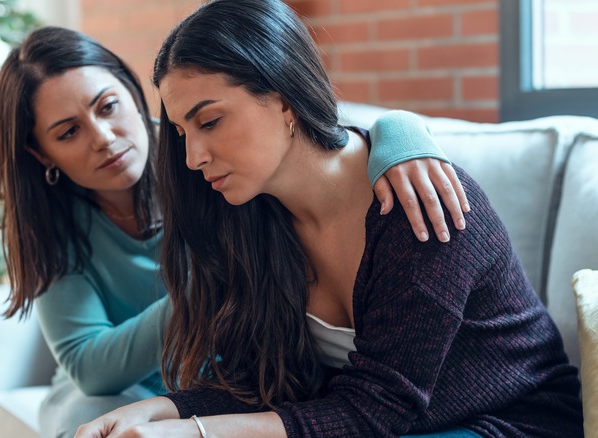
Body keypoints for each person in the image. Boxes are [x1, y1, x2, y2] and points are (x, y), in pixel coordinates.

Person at [72, 1, 584, 437]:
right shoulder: (255, 218)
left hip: (508, 421)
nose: (193, 157)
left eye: (210, 121)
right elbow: (260, 385)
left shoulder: (417, 206)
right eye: (183, 132)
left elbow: (378, 408)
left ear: (284, 99)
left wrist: (198, 431)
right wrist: (162, 410)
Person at [0, 26, 470, 438]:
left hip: (225, 369)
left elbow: (319, 140)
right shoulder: (56, 223)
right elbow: (92, 369)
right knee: (88, 416)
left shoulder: (212, 164)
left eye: (108, 106)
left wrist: (403, 135)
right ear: (41, 154)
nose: (104, 138)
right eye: (68, 132)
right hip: (143, 383)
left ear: (133, 96)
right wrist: (213, 282)